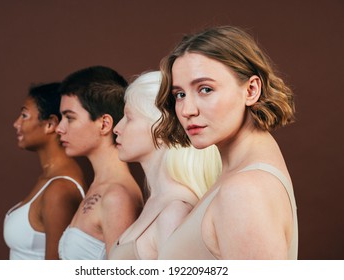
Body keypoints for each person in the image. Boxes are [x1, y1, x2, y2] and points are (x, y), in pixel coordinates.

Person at [154, 26, 298, 260]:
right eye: (179, 94)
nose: (187, 110)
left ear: (251, 90)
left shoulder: (244, 191)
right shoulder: (237, 178)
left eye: (206, 89)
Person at [108, 71, 221, 260]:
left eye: (129, 117)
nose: (117, 128)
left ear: (161, 127)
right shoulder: (160, 202)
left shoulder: (175, 212)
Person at [56, 66, 144, 259]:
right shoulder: (100, 186)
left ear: (104, 124)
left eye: (69, 118)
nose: (59, 128)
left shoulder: (117, 196)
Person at [4, 83, 86, 260]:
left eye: (24, 116)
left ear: (50, 124)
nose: (16, 123)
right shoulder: (49, 178)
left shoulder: (60, 189)